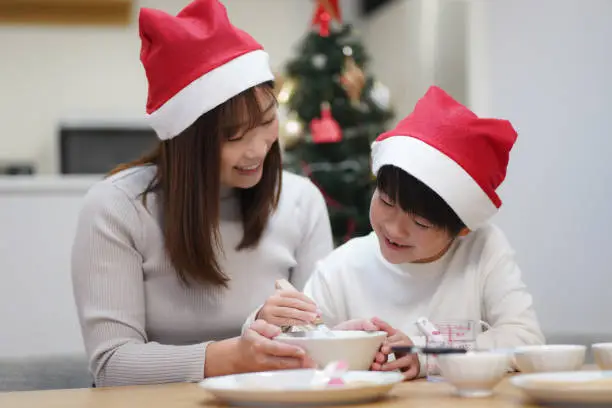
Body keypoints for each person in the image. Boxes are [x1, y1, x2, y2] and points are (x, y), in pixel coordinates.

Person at [71, 0, 333, 387]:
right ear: (187, 143)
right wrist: (237, 355)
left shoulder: (300, 201)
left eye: (265, 122)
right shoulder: (118, 207)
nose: (257, 149)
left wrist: (280, 331)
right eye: (231, 137)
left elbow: (321, 337)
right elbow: (112, 364)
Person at [251, 86, 545, 379]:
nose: (393, 228)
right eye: (386, 201)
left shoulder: (483, 250)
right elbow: (289, 348)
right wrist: (269, 321)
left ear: (463, 228)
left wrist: (427, 355)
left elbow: (526, 339)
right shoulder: (341, 268)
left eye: (420, 223)